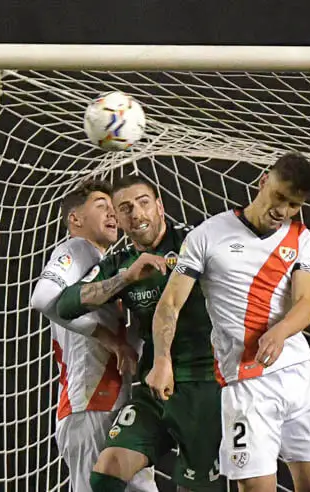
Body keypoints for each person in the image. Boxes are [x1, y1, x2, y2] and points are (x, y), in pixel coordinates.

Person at [146, 152, 310, 492]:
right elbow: (170, 303)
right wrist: (162, 359)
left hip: (299, 376)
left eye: (293, 205)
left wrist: (279, 331)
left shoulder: (302, 239)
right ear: (264, 181)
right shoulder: (207, 236)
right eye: (279, 197)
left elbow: (306, 304)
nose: (283, 211)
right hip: (246, 382)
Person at [56, 175, 225, 492]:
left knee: (194, 487)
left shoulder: (196, 243)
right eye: (126, 208)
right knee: (106, 472)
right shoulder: (123, 263)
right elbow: (65, 304)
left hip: (203, 386)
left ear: (160, 206)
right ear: (118, 219)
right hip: (154, 389)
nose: (136, 213)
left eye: (144, 203)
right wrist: (125, 278)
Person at [30, 179, 158, 492]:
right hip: (90, 404)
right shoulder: (78, 248)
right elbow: (42, 298)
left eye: (114, 208)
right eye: (102, 206)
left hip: (111, 403)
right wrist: (109, 339)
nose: (113, 214)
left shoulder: (101, 266)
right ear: (75, 219)